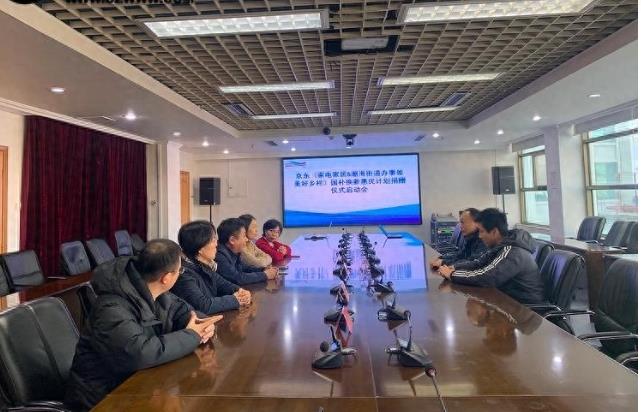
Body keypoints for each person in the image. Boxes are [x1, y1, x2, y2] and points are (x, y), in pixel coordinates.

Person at [65, 239, 222, 411]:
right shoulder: (111, 307)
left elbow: (183, 311)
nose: (180, 274)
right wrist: (192, 335)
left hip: (138, 387)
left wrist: (202, 323)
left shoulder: (154, 290)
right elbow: (139, 353)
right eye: (180, 270)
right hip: (103, 399)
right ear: (166, 278)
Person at [437, 208, 544, 304]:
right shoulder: (500, 247)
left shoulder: (513, 252)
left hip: (525, 309)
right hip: (507, 300)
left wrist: (452, 274)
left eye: (482, 231)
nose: (479, 236)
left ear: (494, 232)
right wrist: (453, 267)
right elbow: (478, 263)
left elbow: (487, 277)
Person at [172, 220, 252, 314]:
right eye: (213, 240)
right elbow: (203, 306)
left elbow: (224, 284)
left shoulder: (204, 265)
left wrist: (241, 292)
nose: (216, 244)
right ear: (201, 248)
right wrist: (236, 299)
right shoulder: (184, 273)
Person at [216, 218, 278, 285]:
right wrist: (265, 275)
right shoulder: (219, 255)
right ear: (232, 240)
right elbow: (237, 278)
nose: (246, 239)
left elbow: (244, 268)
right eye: (244, 236)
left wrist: (263, 269)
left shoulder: (234, 251)